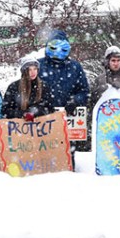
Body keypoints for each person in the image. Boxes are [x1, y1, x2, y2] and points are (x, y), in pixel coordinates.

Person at [37, 29, 89, 169]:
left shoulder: (74, 67)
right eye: (54, 47)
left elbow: (84, 90)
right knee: (43, 150)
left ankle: (69, 174)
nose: (58, 53)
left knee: (67, 152)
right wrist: (40, 104)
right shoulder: (38, 66)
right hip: (44, 117)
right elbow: (28, 89)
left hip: (68, 118)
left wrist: (75, 101)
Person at [1, 56, 55, 120]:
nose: (33, 72)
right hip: (18, 126)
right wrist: (23, 114)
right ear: (24, 71)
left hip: (41, 124)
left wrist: (35, 112)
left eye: (35, 69)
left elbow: (50, 108)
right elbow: (5, 110)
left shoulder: (44, 86)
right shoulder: (14, 86)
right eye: (29, 69)